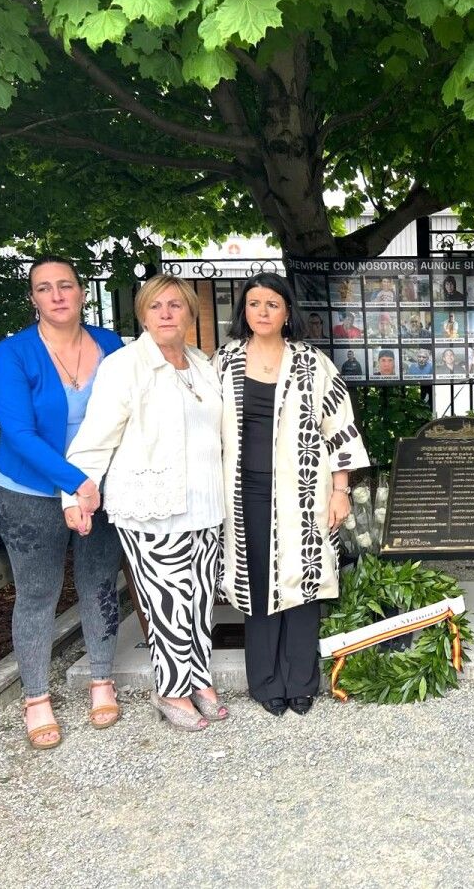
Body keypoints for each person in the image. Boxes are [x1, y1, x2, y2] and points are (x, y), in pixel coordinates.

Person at [63, 274, 227, 732]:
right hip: (153, 504)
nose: (166, 314)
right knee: (166, 601)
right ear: (143, 314)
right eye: (156, 307)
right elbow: (94, 439)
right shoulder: (125, 366)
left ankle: (198, 677)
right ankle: (170, 688)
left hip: (204, 503)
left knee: (197, 599)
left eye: (175, 305)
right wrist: (75, 493)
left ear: (191, 312)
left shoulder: (201, 364)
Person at [214, 274, 370, 717]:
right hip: (242, 492)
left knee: (303, 579)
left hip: (304, 491)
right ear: (243, 310)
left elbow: (339, 429)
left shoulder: (312, 363)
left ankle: (302, 681)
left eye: (272, 304)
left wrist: (341, 490)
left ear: (287, 313)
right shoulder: (223, 363)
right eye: (254, 303)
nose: (262, 311)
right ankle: (265, 682)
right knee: (255, 582)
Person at [0, 256, 125, 750]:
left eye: (65, 285)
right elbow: (19, 433)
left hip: (101, 490)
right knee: (39, 592)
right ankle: (37, 697)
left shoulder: (111, 346)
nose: (57, 295)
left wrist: (97, 485)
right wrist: (76, 483)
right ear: (34, 299)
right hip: (30, 493)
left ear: (82, 292)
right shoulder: (13, 353)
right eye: (44, 289)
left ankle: (102, 679)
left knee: (99, 582)